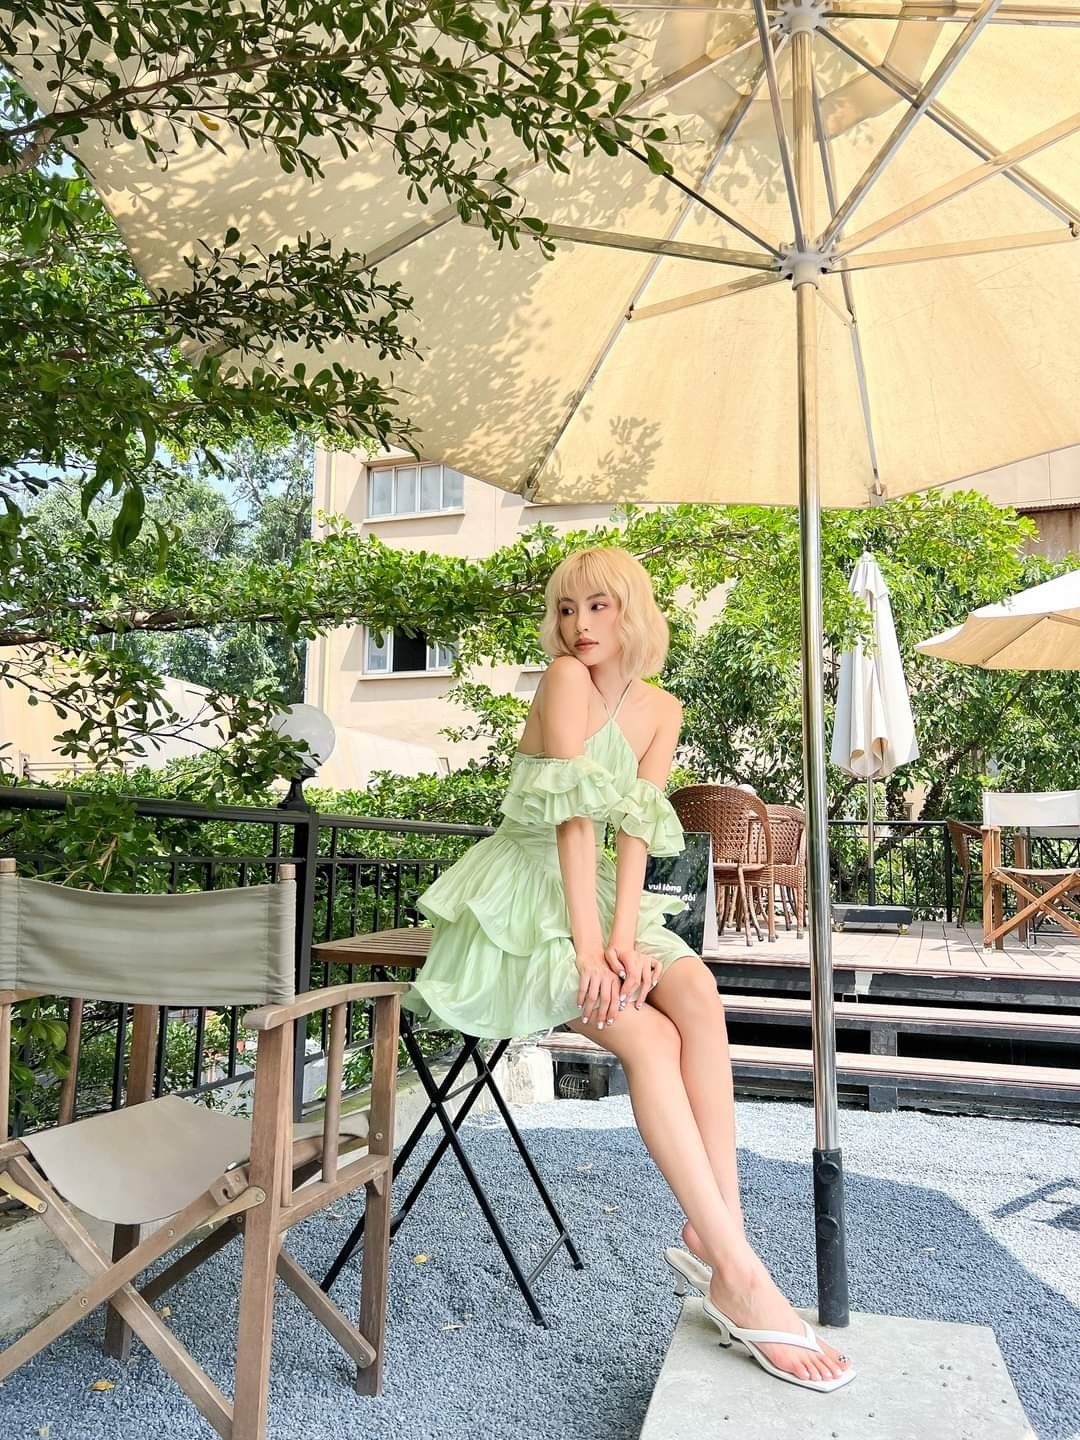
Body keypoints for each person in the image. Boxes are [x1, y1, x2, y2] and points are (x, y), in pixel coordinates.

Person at [407, 545, 854, 1393]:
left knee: (698, 993)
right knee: (650, 1041)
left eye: (598, 607)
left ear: (632, 611)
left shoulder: (662, 708)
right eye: (566, 608)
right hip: (525, 891)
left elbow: (636, 831)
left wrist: (625, 938)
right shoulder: (563, 681)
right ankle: (742, 1274)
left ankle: (717, 1236)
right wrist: (589, 951)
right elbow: (572, 822)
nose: (579, 625)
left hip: (606, 894)